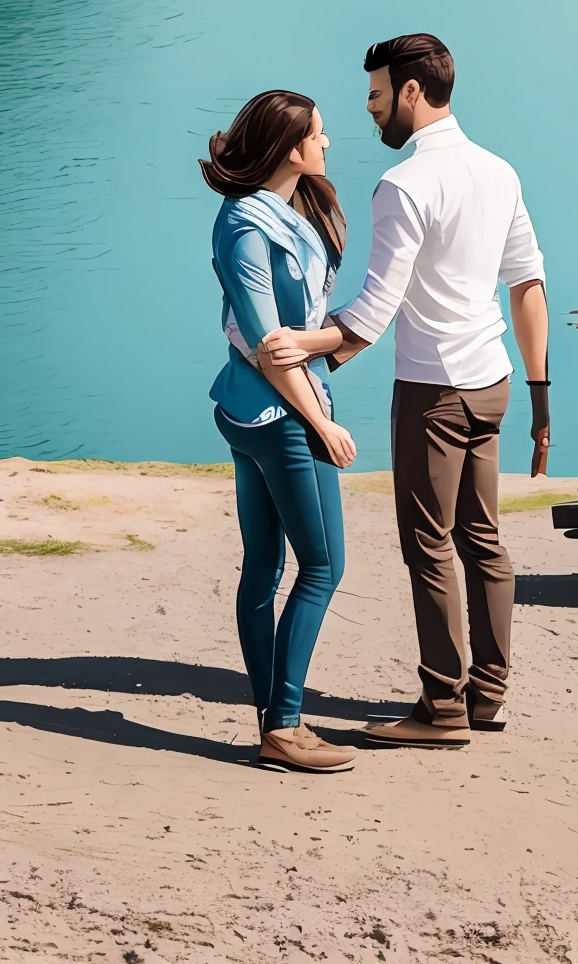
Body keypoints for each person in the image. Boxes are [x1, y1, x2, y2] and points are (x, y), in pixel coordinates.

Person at [259, 33, 549, 747]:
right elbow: (529, 285)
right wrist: (542, 399)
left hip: (434, 392)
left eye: (377, 95)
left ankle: (442, 709)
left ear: (412, 93)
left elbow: (373, 311)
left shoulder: (404, 185)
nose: (369, 111)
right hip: (494, 383)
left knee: (429, 545)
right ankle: (489, 694)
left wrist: (306, 346)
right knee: (484, 538)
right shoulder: (498, 171)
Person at [203, 90, 358, 774]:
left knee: (265, 569)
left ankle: (273, 720)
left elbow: (292, 336)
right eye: (319, 135)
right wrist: (321, 423)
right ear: (292, 147)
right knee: (322, 566)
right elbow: (271, 348)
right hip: (278, 415)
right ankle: (286, 725)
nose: (327, 144)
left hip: (264, 409)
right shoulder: (245, 225)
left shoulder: (289, 211)